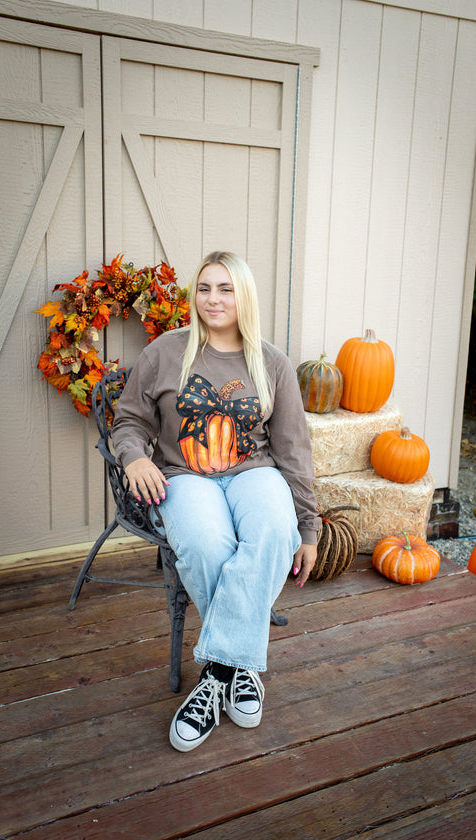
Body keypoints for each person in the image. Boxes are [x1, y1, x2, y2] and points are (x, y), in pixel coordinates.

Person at [112, 251, 320, 752]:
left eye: (225, 288)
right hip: (184, 476)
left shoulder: (271, 362)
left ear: (243, 296)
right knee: (206, 544)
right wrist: (134, 458)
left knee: (274, 532)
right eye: (204, 288)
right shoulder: (165, 352)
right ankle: (240, 667)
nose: (213, 299)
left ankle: (217, 673)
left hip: (255, 472)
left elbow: (293, 447)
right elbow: (129, 421)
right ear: (194, 296)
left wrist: (309, 526)